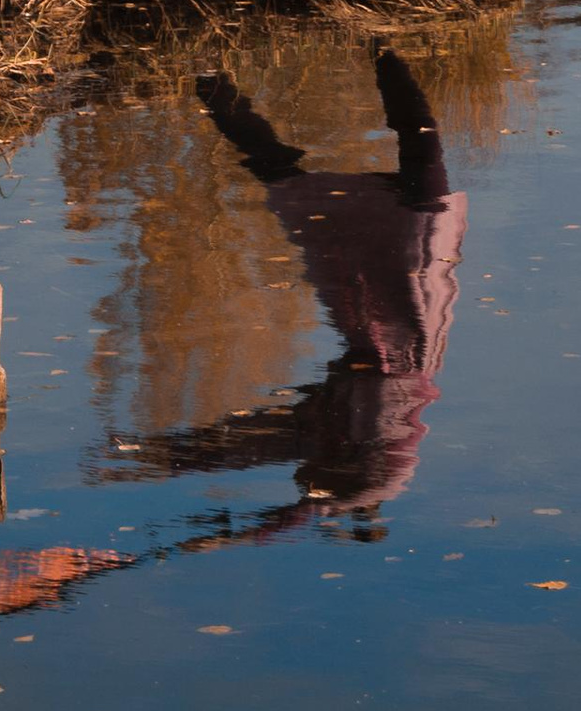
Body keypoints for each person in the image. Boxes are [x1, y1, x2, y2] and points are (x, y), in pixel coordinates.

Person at [92, 52, 465, 529]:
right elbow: (386, 480)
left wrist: (169, 457)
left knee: (280, 172)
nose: (302, 473)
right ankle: (382, 47)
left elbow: (245, 447)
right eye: (311, 480)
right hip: (409, 287)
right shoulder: (391, 434)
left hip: (368, 288)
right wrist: (299, 516)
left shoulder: (323, 435)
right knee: (420, 154)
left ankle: (205, 75)